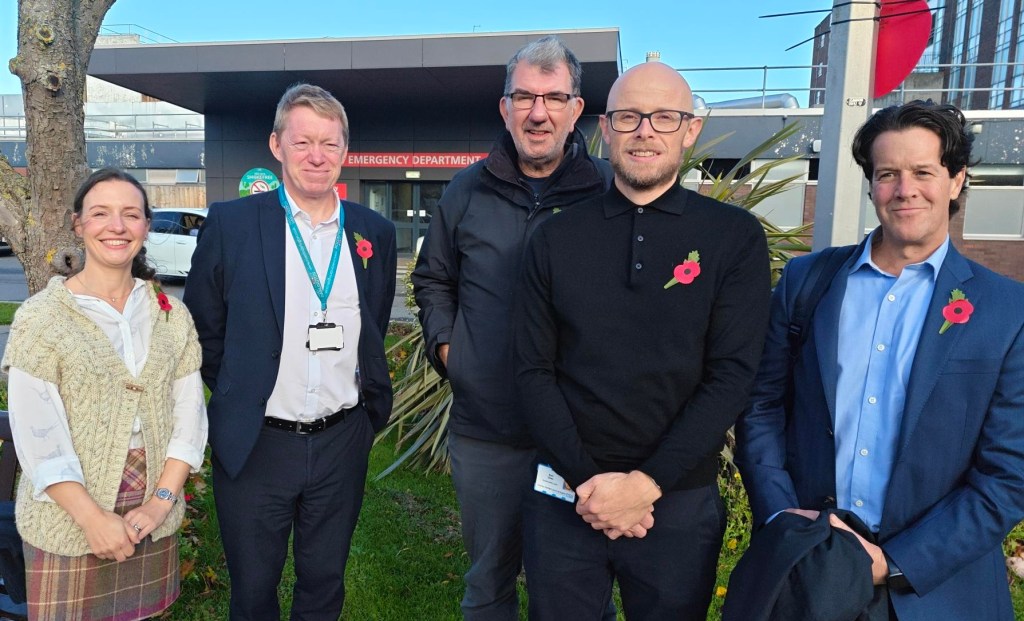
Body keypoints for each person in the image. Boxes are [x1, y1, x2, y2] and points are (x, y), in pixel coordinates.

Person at [735, 100, 1024, 620]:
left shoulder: (1007, 311)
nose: (904, 189)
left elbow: (1009, 473)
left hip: (940, 590)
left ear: (957, 180)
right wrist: (783, 514)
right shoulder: (808, 282)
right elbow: (761, 406)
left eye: (923, 172)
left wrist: (893, 561)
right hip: (811, 571)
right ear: (871, 184)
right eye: (887, 173)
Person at [513, 62, 771, 620]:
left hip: (678, 499)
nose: (645, 131)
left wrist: (647, 484)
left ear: (690, 129)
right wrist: (589, 484)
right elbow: (532, 369)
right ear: (606, 129)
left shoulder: (734, 238)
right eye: (629, 116)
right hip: (565, 495)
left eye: (664, 117)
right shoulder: (554, 235)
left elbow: (732, 375)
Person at [412, 35, 611, 619]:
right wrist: (454, 354)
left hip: (581, 436)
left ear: (577, 109)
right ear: (505, 107)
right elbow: (433, 280)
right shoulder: (466, 189)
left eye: (554, 97)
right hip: (487, 432)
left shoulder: (606, 191)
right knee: (489, 582)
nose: (538, 111)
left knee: (577, 591)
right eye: (524, 96)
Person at [184, 83, 397, 620]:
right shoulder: (232, 224)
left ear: (345, 150)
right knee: (253, 590)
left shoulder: (373, 231)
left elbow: (372, 325)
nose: (317, 156)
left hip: (341, 440)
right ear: (277, 145)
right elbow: (203, 329)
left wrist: (366, 418)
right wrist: (241, 389)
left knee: (324, 583)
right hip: (259, 442)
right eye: (303, 142)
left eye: (330, 143)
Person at [1, 167, 208, 620]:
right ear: (78, 224)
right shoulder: (42, 320)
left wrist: (160, 503)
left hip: (149, 510)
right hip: (68, 513)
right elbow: (39, 437)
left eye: (131, 214)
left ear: (146, 226)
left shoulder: (172, 315)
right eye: (100, 213)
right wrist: (93, 520)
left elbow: (190, 416)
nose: (117, 226)